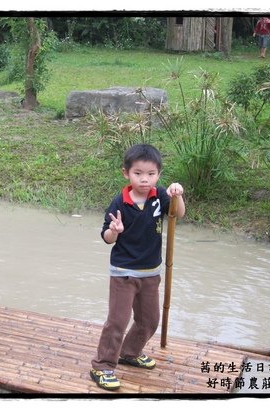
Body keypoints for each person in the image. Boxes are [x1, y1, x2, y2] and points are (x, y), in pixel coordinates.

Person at [90, 144, 185, 390]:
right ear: (126, 173)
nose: (145, 179)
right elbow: (106, 237)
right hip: (124, 273)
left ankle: (130, 352)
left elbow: (178, 214)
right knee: (117, 322)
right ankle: (102, 366)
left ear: (158, 175)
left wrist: (178, 196)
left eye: (151, 174)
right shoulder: (119, 202)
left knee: (150, 320)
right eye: (138, 173)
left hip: (151, 273)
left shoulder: (160, 196)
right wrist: (115, 231)